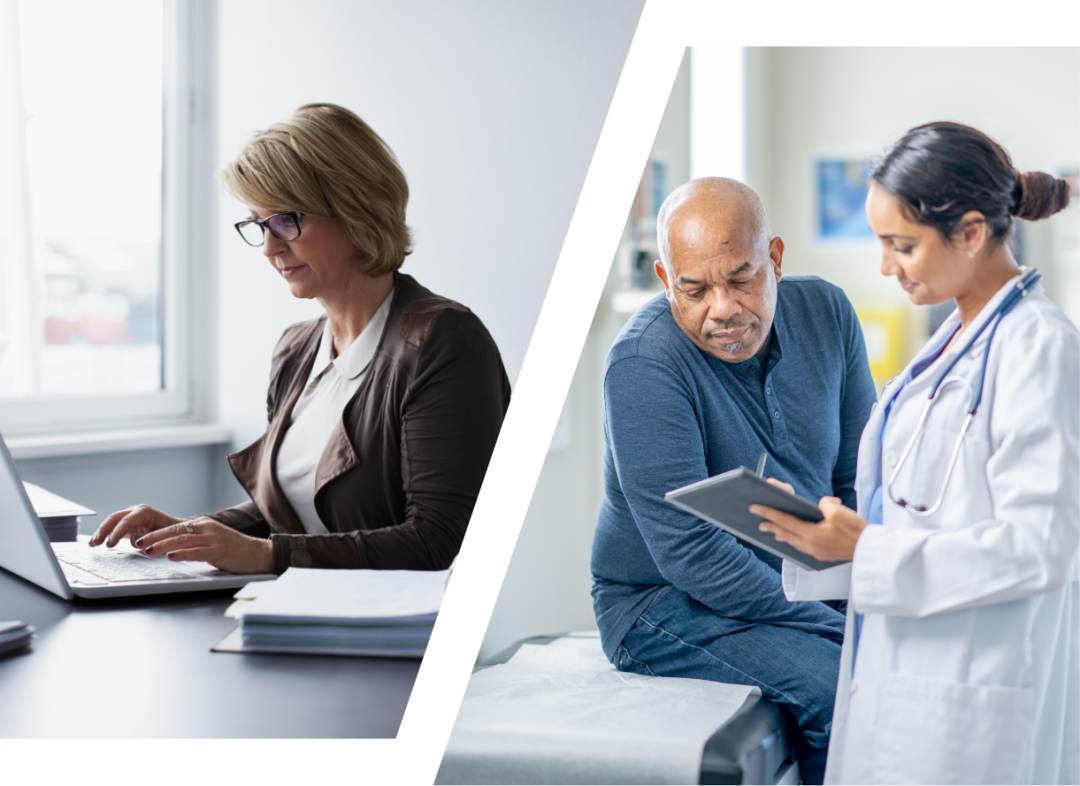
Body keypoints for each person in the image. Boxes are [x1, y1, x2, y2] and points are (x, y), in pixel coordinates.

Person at [756, 122, 1080, 786]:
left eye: (901, 245)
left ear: (968, 231)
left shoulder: (1039, 348)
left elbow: (1041, 545)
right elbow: (922, 517)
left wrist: (867, 550)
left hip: (973, 689)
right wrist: (836, 549)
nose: (884, 266)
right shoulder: (956, 340)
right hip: (907, 671)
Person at [88, 103, 511, 574]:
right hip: (298, 607)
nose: (270, 247)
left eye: (287, 220)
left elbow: (434, 540)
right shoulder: (296, 349)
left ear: (356, 211)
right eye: (258, 225)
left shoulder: (444, 341)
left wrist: (267, 556)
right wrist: (188, 532)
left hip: (388, 630)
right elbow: (289, 516)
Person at [590, 177, 877, 786]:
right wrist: (833, 621)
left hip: (799, 575)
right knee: (843, 685)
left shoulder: (827, 313)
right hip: (662, 601)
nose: (722, 309)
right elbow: (691, 552)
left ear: (774, 259)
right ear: (668, 284)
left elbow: (857, 480)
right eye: (694, 290)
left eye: (741, 279)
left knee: (903, 660)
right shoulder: (645, 364)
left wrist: (866, 593)